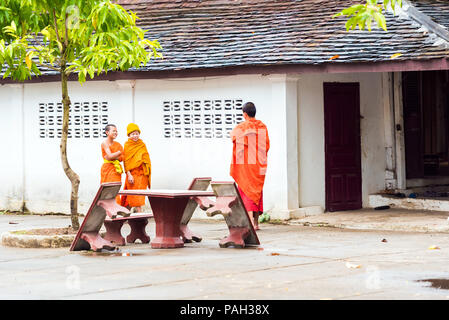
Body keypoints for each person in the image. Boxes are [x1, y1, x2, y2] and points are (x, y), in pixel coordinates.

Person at [230, 102, 270, 231]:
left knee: (247, 193)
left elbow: (234, 138)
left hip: (247, 166)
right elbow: (266, 146)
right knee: (257, 193)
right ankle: (256, 223)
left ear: (245, 114)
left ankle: (250, 225)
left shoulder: (242, 127)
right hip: (259, 165)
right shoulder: (262, 127)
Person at [120, 123, 152, 213]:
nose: (135, 136)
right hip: (133, 174)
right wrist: (129, 175)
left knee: (139, 195)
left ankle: (130, 213)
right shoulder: (127, 145)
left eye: (137, 133)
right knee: (132, 195)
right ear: (129, 135)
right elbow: (126, 161)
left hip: (142, 174)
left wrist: (147, 168)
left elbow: (146, 157)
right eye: (133, 134)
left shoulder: (142, 144)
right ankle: (138, 213)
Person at [101, 124, 124, 204]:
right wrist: (118, 152)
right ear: (107, 132)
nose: (116, 133)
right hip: (107, 169)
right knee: (107, 189)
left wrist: (113, 156)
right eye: (113, 131)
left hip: (116, 170)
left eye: (116, 131)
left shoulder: (118, 144)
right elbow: (110, 156)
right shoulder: (104, 143)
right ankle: (107, 212)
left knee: (115, 189)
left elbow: (122, 158)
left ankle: (116, 210)